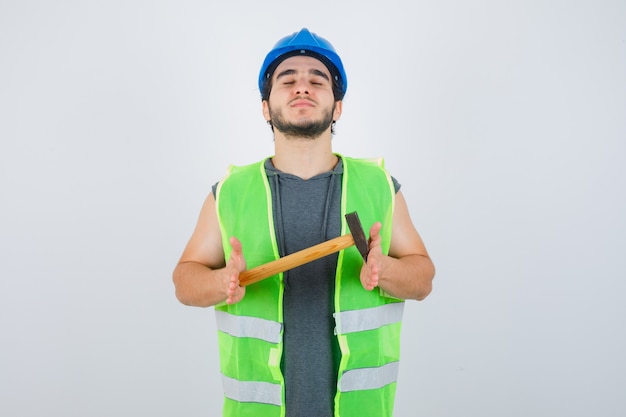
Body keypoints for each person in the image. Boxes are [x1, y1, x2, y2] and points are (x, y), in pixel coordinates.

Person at [173, 28, 435, 417]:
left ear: (337, 106)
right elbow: (184, 280)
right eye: (288, 80)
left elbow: (423, 277)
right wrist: (218, 281)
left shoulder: (378, 186)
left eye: (317, 80)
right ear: (266, 107)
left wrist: (387, 271)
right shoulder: (230, 192)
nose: (303, 87)